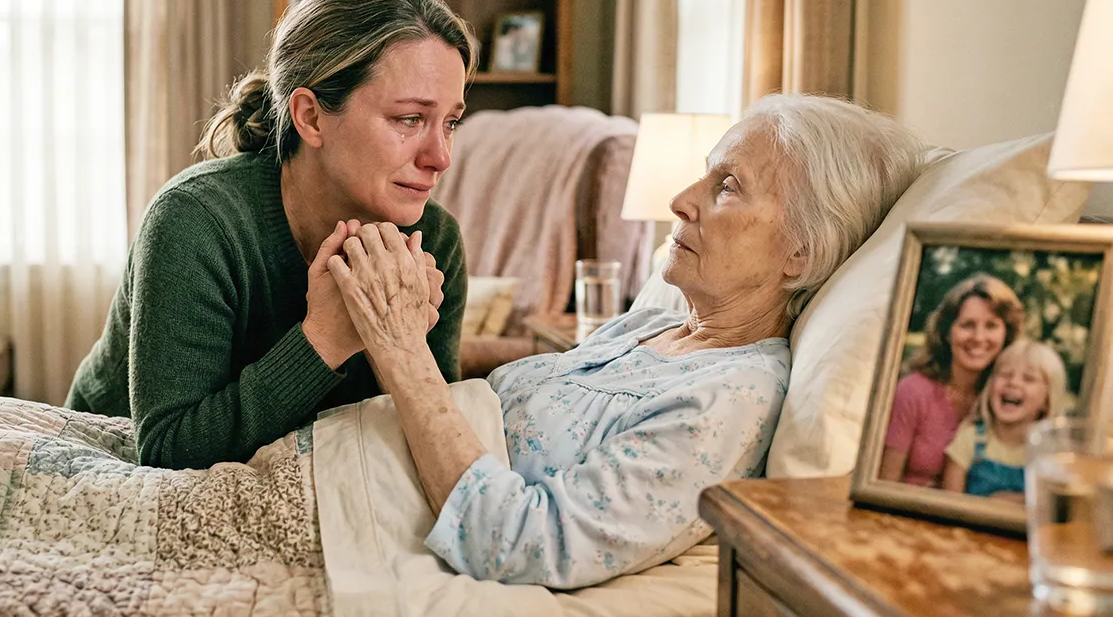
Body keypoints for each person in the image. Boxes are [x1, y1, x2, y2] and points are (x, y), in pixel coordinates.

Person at [324, 93, 927, 589]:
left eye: (728, 185)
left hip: (342, 522)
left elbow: (524, 543)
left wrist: (401, 347)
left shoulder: (729, 400)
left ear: (802, 250)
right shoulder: (652, 326)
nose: (681, 200)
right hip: (330, 475)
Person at [65, 0, 479, 469]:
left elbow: (435, 438)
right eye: (409, 119)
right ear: (310, 117)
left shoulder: (435, 241)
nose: (441, 157)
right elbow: (167, 450)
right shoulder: (195, 222)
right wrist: (327, 337)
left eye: (450, 123)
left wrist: (399, 347)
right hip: (106, 466)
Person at [879, 275, 1024, 487]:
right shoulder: (913, 391)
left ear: (1007, 335)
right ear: (947, 332)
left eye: (991, 326)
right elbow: (883, 485)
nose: (979, 337)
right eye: (967, 325)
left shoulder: (1005, 398)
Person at [942, 339, 1065, 501]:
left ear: (1047, 401)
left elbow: (1054, 509)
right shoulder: (970, 438)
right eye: (1005, 374)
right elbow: (949, 503)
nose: (1013, 382)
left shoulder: (1052, 453)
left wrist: (1013, 501)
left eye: (1028, 379)